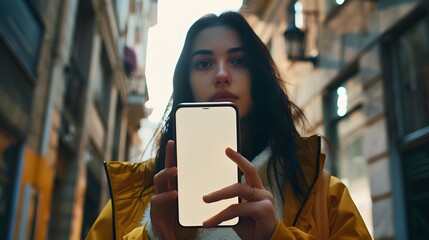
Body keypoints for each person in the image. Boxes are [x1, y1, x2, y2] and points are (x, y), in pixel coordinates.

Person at [86, 11, 371, 239]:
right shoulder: (135, 197)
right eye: (204, 64)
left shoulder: (322, 192)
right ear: (187, 82)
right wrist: (154, 236)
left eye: (238, 60)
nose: (222, 74)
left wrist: (275, 236)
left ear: (257, 77)